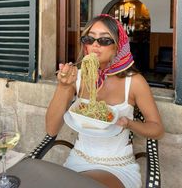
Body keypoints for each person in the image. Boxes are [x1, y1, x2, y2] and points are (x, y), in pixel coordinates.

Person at [46, 14, 164, 188]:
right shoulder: (76, 77)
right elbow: (51, 129)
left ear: (118, 46)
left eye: (105, 40)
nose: (95, 44)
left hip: (118, 165)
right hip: (79, 159)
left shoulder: (134, 82)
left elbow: (157, 130)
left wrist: (128, 123)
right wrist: (63, 88)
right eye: (89, 38)